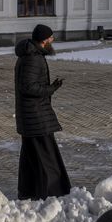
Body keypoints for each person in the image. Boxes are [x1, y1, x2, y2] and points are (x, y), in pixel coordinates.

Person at [14, 24, 71, 200]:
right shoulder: (33, 58)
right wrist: (51, 88)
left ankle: (29, 191)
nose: (53, 40)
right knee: (47, 157)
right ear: (45, 40)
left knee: (31, 158)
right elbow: (28, 87)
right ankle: (54, 192)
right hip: (36, 116)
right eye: (51, 37)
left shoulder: (31, 55)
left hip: (31, 116)